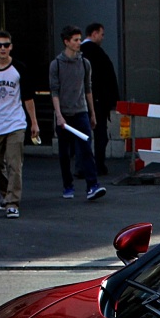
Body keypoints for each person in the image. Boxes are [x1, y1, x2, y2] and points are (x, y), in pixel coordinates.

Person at [0, 30, 39, 220]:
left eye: (6, 45)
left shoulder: (19, 68)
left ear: (11, 47)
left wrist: (34, 122)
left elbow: (28, 97)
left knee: (15, 164)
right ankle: (5, 193)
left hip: (15, 122)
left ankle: (13, 202)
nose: (2, 48)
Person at [49, 25, 105, 201]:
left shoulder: (84, 63)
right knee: (65, 153)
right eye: (75, 40)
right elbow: (54, 91)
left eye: (80, 39)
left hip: (81, 111)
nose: (79, 43)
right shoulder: (56, 65)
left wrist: (92, 113)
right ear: (66, 42)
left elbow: (88, 89)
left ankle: (92, 185)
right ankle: (68, 185)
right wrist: (59, 115)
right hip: (64, 113)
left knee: (86, 148)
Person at [79, 23, 120, 176]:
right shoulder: (98, 53)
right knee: (100, 133)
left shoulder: (78, 53)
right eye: (101, 34)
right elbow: (108, 78)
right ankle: (98, 165)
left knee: (82, 134)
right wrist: (112, 101)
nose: (102, 38)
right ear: (94, 34)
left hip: (79, 100)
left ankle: (82, 166)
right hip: (99, 100)